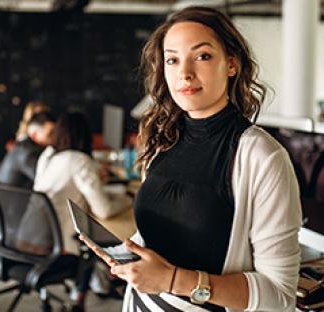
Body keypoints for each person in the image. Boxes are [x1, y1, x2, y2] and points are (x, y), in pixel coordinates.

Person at [81, 6, 302, 312]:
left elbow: (280, 299)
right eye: (172, 59)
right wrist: (127, 256)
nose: (184, 72)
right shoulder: (163, 140)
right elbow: (161, 235)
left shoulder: (262, 156)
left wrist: (172, 280)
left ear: (232, 64)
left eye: (202, 56)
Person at [16, 112, 132, 312]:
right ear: (85, 136)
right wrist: (127, 198)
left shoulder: (49, 157)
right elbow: (103, 210)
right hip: (57, 247)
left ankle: (95, 286)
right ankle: (83, 298)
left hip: (26, 237)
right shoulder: (80, 161)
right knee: (103, 239)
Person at [0, 111, 56, 189]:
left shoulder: (22, 146)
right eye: (50, 134)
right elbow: (44, 181)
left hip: (6, 197)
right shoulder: (27, 153)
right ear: (34, 135)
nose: (54, 138)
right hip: (16, 199)